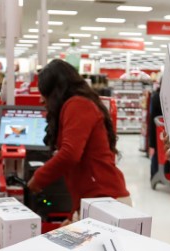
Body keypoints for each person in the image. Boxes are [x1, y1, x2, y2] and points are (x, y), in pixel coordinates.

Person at [27, 59, 129, 216]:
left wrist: (38, 178)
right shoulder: (77, 105)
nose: (41, 99)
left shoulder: (78, 105)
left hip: (106, 201)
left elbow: (70, 154)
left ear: (57, 90)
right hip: (95, 201)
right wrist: (74, 213)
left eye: (45, 93)